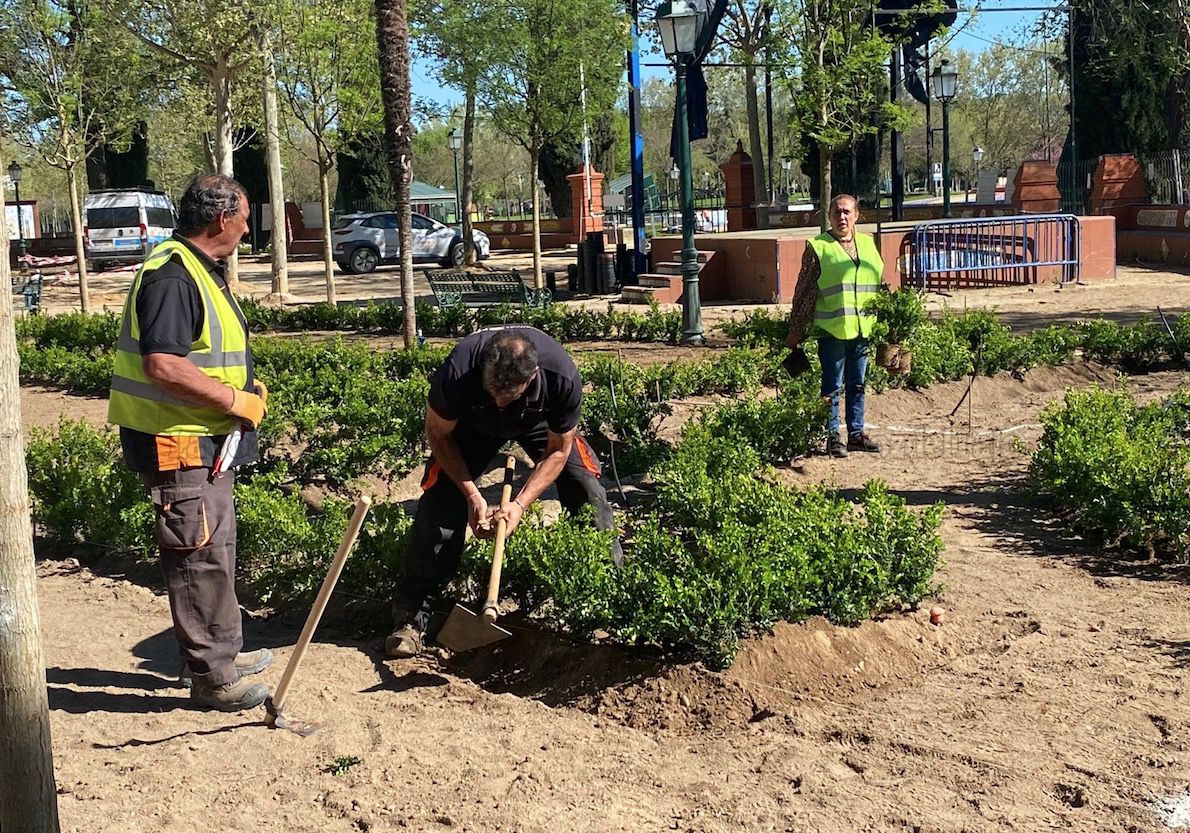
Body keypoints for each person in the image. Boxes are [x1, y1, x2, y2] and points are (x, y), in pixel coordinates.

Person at [108, 174, 273, 712]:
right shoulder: (174, 276)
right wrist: (231, 400)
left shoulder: (196, 270)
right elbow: (164, 364)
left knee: (215, 552)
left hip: (203, 442)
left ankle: (222, 654)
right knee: (197, 556)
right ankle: (211, 677)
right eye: (245, 219)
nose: (247, 231)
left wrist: (243, 389)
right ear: (222, 218)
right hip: (179, 443)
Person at [386, 326, 621, 659]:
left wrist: (520, 505)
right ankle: (410, 620)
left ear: (532, 377)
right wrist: (472, 496)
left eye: (507, 394)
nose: (499, 401)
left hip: (539, 422)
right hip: (471, 425)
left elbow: (558, 449)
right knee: (441, 495)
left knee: (586, 487)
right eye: (492, 390)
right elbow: (438, 435)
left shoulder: (561, 377)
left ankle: (610, 602)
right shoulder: (458, 370)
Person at [785, 194, 884, 458]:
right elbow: (805, 291)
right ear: (829, 216)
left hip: (863, 328)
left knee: (858, 382)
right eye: (836, 212)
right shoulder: (819, 246)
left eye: (847, 212)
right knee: (832, 385)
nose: (842, 217)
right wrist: (796, 328)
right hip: (832, 329)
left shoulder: (868, 242)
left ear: (857, 215)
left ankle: (856, 434)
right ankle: (832, 437)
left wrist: (889, 325)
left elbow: (879, 286)